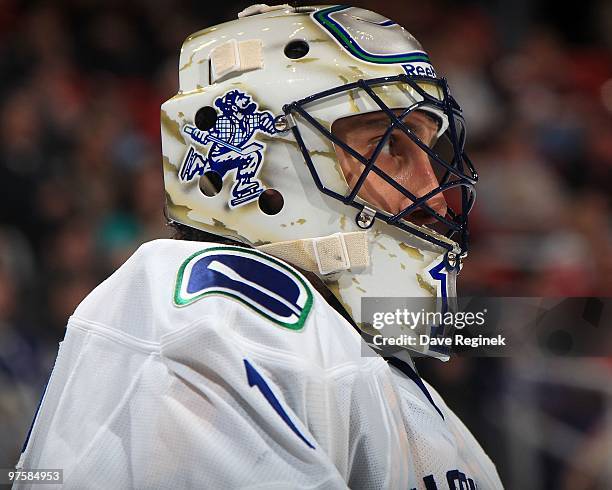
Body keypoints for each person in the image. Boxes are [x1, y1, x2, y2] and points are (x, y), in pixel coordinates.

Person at [15, 4, 503, 489]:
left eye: (428, 148)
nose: (434, 191)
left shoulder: (357, 350)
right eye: (390, 147)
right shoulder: (221, 322)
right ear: (271, 165)